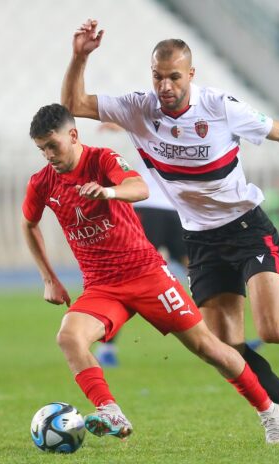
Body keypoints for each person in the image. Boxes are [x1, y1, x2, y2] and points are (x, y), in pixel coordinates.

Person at [61, 19, 279, 437]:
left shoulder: (219, 106)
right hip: (201, 240)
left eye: (173, 77)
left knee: (274, 330)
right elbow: (73, 102)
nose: (164, 86)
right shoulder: (138, 108)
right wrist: (80, 56)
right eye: (157, 77)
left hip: (245, 228)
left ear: (191, 75)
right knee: (225, 349)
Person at [22, 103, 279, 444]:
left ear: (73, 135)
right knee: (68, 336)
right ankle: (110, 411)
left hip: (147, 275)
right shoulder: (43, 182)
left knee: (208, 347)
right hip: (102, 287)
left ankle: (270, 411)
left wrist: (109, 191)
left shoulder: (102, 160)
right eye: (41, 149)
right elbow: (29, 224)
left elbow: (140, 188)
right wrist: (49, 277)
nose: (48, 155)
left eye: (52, 146)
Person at [94, 122, 189, 367]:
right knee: (132, 275)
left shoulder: (188, 131)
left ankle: (227, 339)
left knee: (199, 270)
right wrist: (121, 125)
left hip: (176, 210)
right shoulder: (157, 127)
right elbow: (140, 125)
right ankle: (107, 347)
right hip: (149, 207)